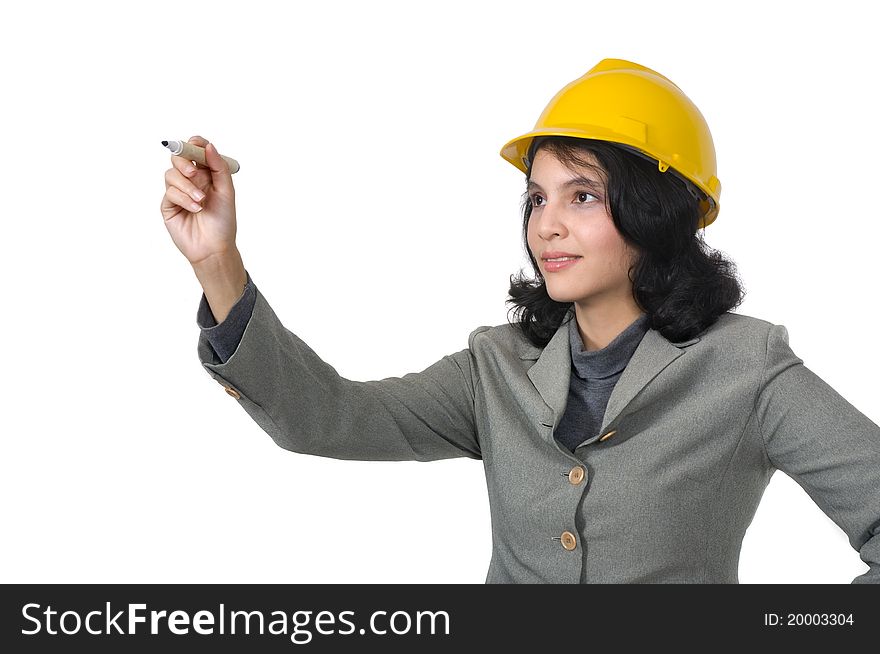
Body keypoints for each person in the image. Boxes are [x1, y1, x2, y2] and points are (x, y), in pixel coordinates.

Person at [160, 58, 880, 583]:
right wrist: (217, 262)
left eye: (583, 196)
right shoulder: (495, 367)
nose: (548, 226)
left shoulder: (747, 369)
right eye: (537, 199)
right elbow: (326, 417)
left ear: (656, 211)